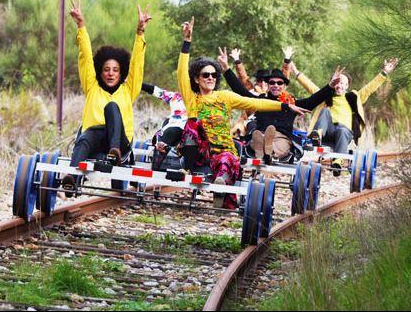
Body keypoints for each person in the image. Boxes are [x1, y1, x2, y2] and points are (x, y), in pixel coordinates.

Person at [177, 17, 309, 209]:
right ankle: (188, 167)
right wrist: (187, 42)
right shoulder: (192, 98)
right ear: (196, 79)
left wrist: (284, 106)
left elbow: (255, 102)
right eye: (206, 75)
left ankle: (221, 185)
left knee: (227, 159)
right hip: (197, 151)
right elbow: (181, 72)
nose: (211, 78)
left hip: (221, 150)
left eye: (214, 75)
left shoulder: (225, 97)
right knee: (192, 124)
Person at [61, 0, 152, 193]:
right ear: (100, 72)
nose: (111, 73)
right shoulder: (92, 87)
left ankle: (114, 152)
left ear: (121, 73)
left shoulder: (128, 90)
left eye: (115, 70)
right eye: (106, 69)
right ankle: (72, 179)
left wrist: (140, 33)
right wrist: (81, 25)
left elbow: (137, 64)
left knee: (112, 108)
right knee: (85, 136)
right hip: (95, 139)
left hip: (120, 143)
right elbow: (85, 57)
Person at [218, 48, 342, 164]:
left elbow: (312, 101)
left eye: (279, 82)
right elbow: (241, 91)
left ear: (284, 85)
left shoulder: (292, 102)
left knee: (277, 145)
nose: (275, 85)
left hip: (282, 137)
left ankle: (267, 153)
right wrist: (226, 69)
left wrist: (330, 86)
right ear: (268, 85)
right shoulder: (261, 100)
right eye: (272, 82)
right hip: (260, 134)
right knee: (257, 138)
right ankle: (263, 151)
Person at [289, 56, 399, 175]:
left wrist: (384, 72)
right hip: (326, 132)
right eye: (337, 82)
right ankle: (317, 136)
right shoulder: (325, 96)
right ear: (332, 83)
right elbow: (309, 85)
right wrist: (295, 71)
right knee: (325, 111)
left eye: (342, 83)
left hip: (343, 133)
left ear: (347, 86)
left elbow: (370, 88)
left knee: (342, 130)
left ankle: (337, 162)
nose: (339, 85)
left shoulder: (354, 97)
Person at [140, 82, 187, 169]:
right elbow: (156, 91)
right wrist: (138, 84)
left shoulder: (200, 100)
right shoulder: (175, 97)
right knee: (168, 125)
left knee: (173, 130)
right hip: (171, 130)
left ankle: (162, 148)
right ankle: (160, 151)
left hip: (188, 132)